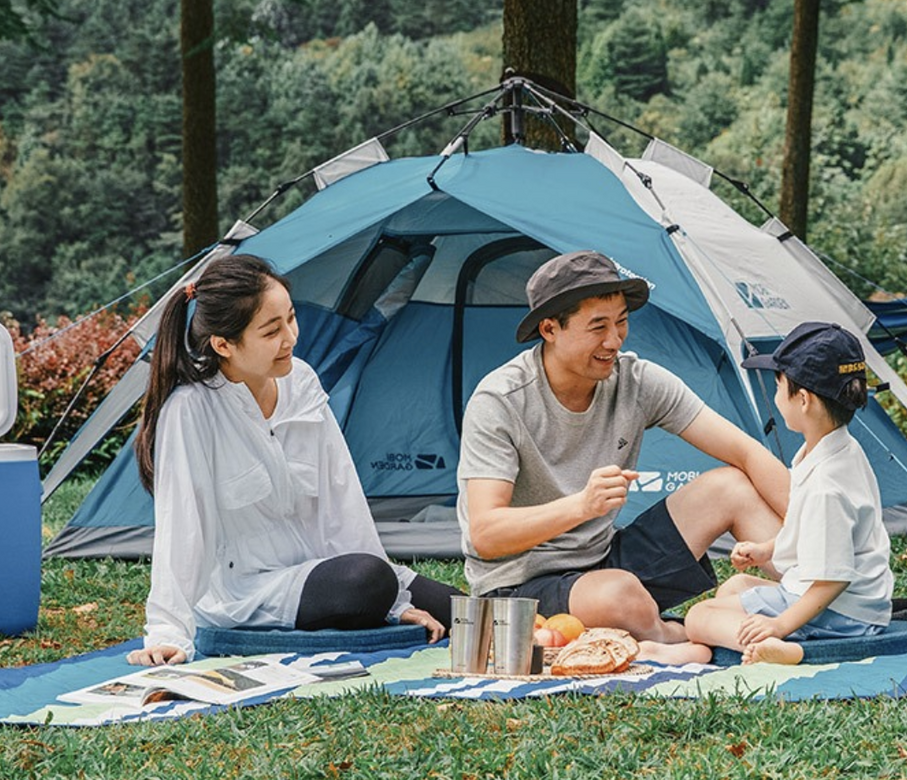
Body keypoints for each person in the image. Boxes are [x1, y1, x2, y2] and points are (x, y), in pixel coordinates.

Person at [127, 254, 461, 666]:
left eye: (291, 318)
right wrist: (168, 632)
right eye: (272, 330)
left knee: (461, 607)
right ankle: (365, 597)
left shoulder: (300, 380)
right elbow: (182, 525)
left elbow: (342, 497)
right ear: (223, 344)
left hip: (325, 570)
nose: (291, 337)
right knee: (367, 581)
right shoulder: (191, 410)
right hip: (250, 591)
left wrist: (392, 602)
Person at [457, 249, 790, 650]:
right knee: (618, 595)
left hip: (605, 560)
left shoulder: (636, 380)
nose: (613, 341)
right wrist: (582, 506)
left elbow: (748, 453)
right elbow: (486, 535)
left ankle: (819, 599)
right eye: (597, 327)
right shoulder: (501, 400)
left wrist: (825, 541)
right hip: (519, 589)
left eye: (622, 323)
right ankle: (678, 636)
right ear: (549, 329)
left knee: (731, 486)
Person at [674, 322, 894, 666]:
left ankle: (782, 648)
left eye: (779, 387)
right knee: (734, 588)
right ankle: (761, 637)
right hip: (854, 604)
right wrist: (765, 550)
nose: (775, 399)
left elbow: (833, 578)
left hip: (842, 613)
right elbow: (807, 527)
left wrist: (779, 625)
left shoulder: (828, 487)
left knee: (699, 617)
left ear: (803, 399)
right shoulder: (833, 450)